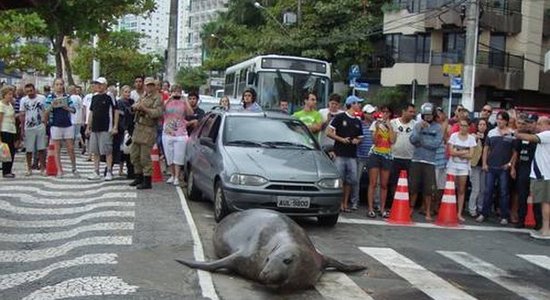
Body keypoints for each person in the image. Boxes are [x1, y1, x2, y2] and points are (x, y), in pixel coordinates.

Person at [476, 111, 517, 225]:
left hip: (504, 168)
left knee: (504, 192)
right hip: (491, 166)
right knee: (488, 191)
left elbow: (515, 152)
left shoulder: (511, 134)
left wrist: (509, 164)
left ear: (506, 121)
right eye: (498, 119)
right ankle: (484, 213)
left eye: (502, 119)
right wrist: (484, 163)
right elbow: (486, 149)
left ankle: (504, 216)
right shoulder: (491, 132)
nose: (499, 121)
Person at [326, 95, 363, 212]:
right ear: (351, 104)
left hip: (352, 154)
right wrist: (341, 139)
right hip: (340, 153)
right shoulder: (340, 117)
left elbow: (360, 137)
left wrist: (357, 140)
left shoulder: (358, 121)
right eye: (357, 103)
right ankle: (337, 204)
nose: (359, 105)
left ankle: (345, 203)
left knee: (350, 180)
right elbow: (328, 132)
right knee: (340, 180)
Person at [515, 116, 550, 239]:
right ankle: (544, 228)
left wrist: (516, 132)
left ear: (547, 125)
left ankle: (546, 229)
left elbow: (529, 137)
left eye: (540, 124)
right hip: (541, 174)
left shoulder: (547, 134)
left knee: (546, 202)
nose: (537, 126)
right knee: (542, 202)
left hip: (545, 175)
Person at [409, 103, 443, 221]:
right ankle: (411, 208)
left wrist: (422, 143)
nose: (428, 117)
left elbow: (436, 144)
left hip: (430, 162)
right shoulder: (417, 125)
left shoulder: (438, 127)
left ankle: (428, 211)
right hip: (416, 159)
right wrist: (420, 130)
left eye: (430, 115)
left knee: (428, 189)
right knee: (413, 186)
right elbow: (413, 140)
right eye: (425, 115)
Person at [129, 77, 163, 190]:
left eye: (151, 85)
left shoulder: (158, 98)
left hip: (148, 128)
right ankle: (138, 176)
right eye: (147, 85)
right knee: (134, 154)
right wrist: (135, 107)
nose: (149, 87)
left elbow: (157, 113)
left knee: (145, 156)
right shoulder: (143, 96)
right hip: (138, 126)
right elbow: (136, 105)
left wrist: (144, 108)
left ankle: (147, 180)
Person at [86, 77, 119, 181]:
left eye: (100, 84)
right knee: (95, 151)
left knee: (107, 150)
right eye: (97, 84)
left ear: (105, 85)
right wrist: (88, 126)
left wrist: (115, 126)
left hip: (106, 127)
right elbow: (91, 112)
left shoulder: (110, 96)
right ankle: (96, 171)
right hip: (95, 127)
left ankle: (109, 171)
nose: (98, 86)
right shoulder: (94, 97)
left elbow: (116, 110)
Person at [44, 78, 77, 177]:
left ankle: (74, 167)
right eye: (57, 84)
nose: (59, 86)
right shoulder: (50, 97)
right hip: (55, 124)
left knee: (70, 148)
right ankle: (59, 170)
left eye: (61, 84)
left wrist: (66, 107)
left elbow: (73, 110)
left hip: (67, 124)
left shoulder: (67, 97)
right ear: (54, 86)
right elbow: (46, 111)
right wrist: (52, 106)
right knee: (57, 148)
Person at [366, 105, 395, 218]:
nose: (385, 114)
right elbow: (374, 141)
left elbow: (392, 140)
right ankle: (370, 208)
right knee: (373, 183)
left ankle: (382, 209)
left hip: (387, 155)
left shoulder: (393, 124)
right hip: (376, 153)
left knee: (384, 184)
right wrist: (378, 129)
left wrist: (389, 127)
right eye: (383, 112)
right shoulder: (375, 124)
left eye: (387, 112)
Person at [511, 113, 539, 228]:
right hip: (523, 168)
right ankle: (521, 220)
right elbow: (515, 153)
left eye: (532, 123)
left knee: (537, 197)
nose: (529, 125)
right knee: (522, 196)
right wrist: (512, 167)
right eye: (528, 123)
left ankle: (539, 222)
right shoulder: (522, 136)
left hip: (536, 170)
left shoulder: (540, 137)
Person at [446, 118, 476, 222]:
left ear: (469, 127)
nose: (463, 128)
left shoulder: (471, 138)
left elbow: (471, 155)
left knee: (461, 190)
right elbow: (451, 152)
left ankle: (458, 213)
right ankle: (449, 210)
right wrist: (464, 152)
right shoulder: (454, 136)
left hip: (464, 167)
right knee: (450, 189)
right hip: (452, 165)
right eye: (461, 125)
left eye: (465, 126)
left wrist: (458, 152)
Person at [162, 84, 193, 186]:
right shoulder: (168, 101)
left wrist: (185, 101)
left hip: (181, 132)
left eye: (178, 91)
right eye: (174, 91)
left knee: (178, 156)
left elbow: (190, 113)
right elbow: (160, 110)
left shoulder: (183, 102)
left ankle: (177, 177)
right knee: (169, 155)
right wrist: (169, 99)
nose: (176, 93)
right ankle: (172, 174)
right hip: (168, 131)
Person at [388, 103, 416, 206]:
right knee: (394, 182)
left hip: (409, 158)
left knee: (407, 183)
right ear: (404, 111)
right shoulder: (393, 122)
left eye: (413, 112)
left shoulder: (415, 124)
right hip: (394, 157)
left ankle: (404, 204)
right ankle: (394, 203)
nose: (412, 114)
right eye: (410, 111)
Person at [350, 104, 375, 211]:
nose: (372, 115)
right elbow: (354, 137)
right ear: (364, 114)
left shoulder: (376, 124)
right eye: (369, 113)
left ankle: (375, 203)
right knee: (356, 180)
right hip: (360, 156)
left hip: (372, 156)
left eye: (373, 113)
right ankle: (355, 202)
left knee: (374, 182)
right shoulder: (359, 124)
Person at [19, 83, 47, 176]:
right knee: (29, 149)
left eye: (31, 91)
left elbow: (45, 111)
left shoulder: (42, 98)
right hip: (28, 126)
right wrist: (22, 128)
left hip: (40, 125)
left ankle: (42, 168)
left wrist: (45, 123)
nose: (29, 93)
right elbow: (22, 114)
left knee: (41, 148)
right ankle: (29, 168)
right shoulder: (23, 100)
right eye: (27, 91)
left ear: (34, 90)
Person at [468, 118, 489, 217]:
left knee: (483, 189)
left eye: (484, 124)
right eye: (480, 124)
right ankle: (472, 209)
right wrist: (476, 138)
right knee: (475, 188)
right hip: (474, 165)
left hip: (484, 165)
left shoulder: (489, 137)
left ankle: (480, 207)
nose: (482, 126)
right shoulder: (472, 136)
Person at [116, 85, 136, 178]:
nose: (127, 94)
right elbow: (119, 114)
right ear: (122, 92)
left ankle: (130, 171)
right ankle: (118, 170)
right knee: (122, 150)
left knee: (130, 151)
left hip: (131, 127)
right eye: (125, 92)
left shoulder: (132, 102)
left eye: (129, 92)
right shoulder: (119, 102)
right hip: (122, 128)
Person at [0, 86, 17, 178]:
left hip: (11, 129)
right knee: (6, 151)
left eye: (12, 94)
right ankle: (6, 171)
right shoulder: (1, 105)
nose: (11, 96)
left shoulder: (10, 105)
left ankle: (9, 169)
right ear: (4, 95)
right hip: (4, 130)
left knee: (12, 150)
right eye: (9, 94)